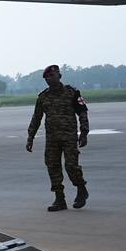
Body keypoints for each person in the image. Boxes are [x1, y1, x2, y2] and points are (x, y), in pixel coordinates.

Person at [26, 64, 89, 211]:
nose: (49, 80)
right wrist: (30, 137)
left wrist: (84, 132)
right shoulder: (43, 97)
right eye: (46, 78)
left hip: (69, 137)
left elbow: (83, 112)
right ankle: (59, 199)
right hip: (52, 138)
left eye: (51, 76)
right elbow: (36, 118)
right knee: (52, 166)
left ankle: (81, 189)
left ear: (59, 76)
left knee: (71, 166)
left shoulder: (72, 93)